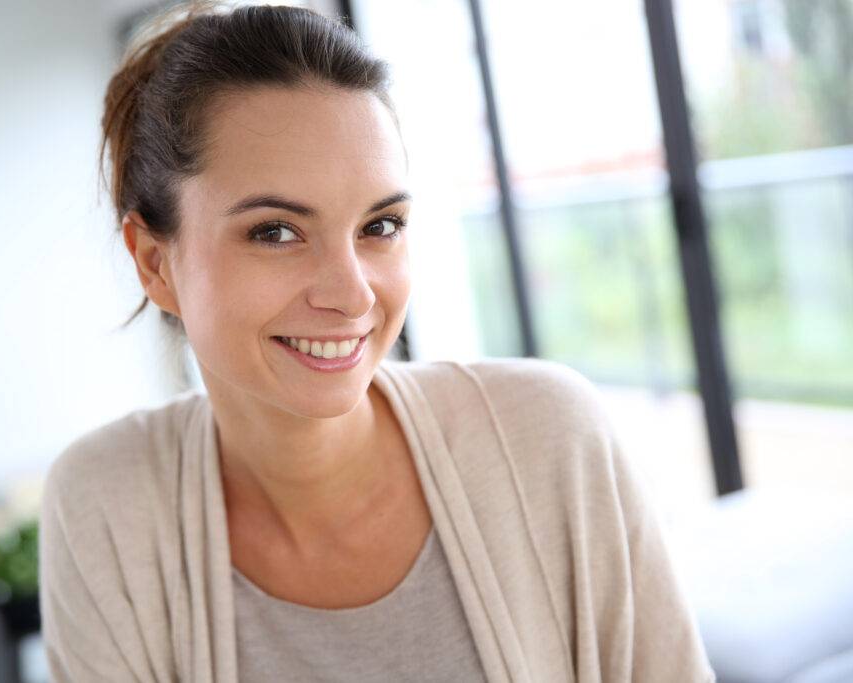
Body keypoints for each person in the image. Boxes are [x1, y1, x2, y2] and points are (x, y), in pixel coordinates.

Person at [38, 2, 716, 682]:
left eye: (381, 225)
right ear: (155, 262)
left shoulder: (548, 437)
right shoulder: (106, 507)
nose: (355, 293)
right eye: (276, 231)